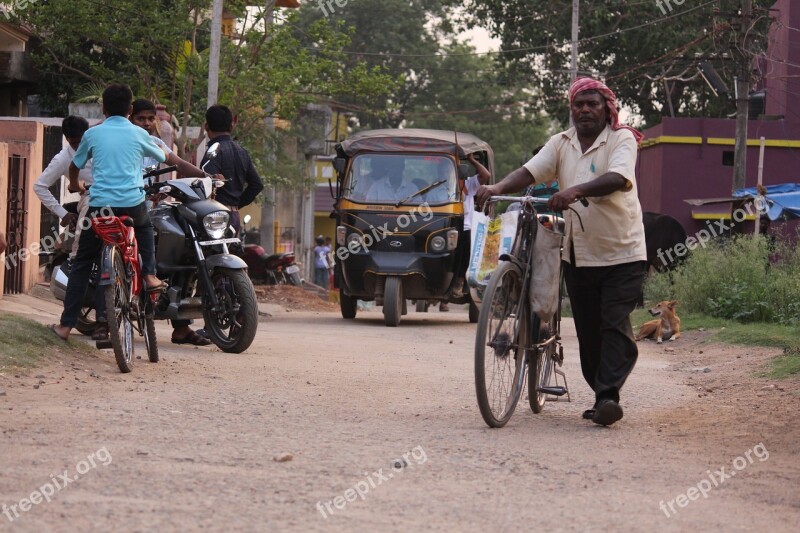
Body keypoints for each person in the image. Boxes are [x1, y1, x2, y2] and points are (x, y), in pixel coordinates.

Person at [476, 77, 647, 427]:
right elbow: (529, 171)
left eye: (592, 104)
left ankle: (608, 397)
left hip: (622, 252)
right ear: (571, 109)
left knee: (612, 323)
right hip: (579, 255)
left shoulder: (621, 139)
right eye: (578, 104)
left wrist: (574, 191)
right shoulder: (561, 143)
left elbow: (618, 177)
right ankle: (602, 394)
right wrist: (496, 186)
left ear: (606, 108)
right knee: (587, 330)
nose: (584, 110)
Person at [50, 84, 169, 342]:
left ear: (102, 109)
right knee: (145, 228)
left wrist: (73, 184)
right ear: (129, 110)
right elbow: (162, 155)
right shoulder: (139, 134)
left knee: (82, 263)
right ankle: (148, 275)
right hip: (132, 203)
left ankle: (66, 326)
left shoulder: (93, 135)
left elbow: (74, 166)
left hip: (100, 207)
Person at [130, 98, 220, 346]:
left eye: (150, 119)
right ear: (130, 118)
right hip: (126, 207)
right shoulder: (124, 141)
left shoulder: (156, 143)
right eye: (141, 118)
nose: (147, 123)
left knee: (181, 252)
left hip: (151, 208)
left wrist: (207, 177)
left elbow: (178, 164)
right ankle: (106, 319)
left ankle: (181, 327)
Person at [34, 116, 94, 258]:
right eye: (74, 142)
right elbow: (39, 186)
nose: (79, 146)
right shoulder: (63, 158)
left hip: (117, 195)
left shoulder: (101, 147)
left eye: (82, 141)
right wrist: (63, 213)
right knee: (79, 247)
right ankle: (76, 262)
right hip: (91, 200)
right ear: (67, 139)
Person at [200, 104, 264, 235]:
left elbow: (207, 183)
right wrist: (236, 205)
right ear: (231, 126)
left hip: (215, 219)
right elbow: (257, 185)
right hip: (234, 217)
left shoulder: (214, 151)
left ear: (206, 126)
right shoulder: (242, 152)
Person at [442, 153, 492, 312]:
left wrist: (471, 160)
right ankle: (443, 288)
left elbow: (486, 175)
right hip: (447, 226)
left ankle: (460, 283)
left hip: (466, 228)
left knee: (465, 255)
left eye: (460, 177)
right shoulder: (442, 185)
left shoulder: (470, 185)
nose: (459, 181)